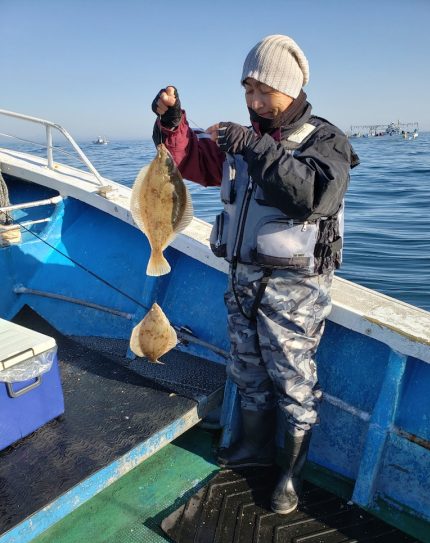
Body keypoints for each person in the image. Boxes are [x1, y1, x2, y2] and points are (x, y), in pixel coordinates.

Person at [152, 34, 359, 515]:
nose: (254, 101)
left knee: (293, 379)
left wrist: (255, 147)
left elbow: (315, 196)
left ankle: (288, 476)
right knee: (246, 368)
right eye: (248, 91)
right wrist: (173, 123)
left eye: (263, 90)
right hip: (242, 281)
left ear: (290, 88)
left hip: (295, 291)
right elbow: (195, 163)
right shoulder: (243, 138)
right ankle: (249, 449)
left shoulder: (325, 140)